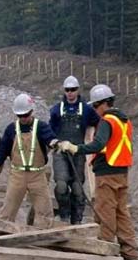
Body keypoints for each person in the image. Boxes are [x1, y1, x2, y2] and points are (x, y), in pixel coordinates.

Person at [59, 84, 138, 260]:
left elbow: (98, 144)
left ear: (103, 104)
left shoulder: (107, 121)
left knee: (105, 212)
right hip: (121, 172)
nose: (94, 110)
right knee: (121, 212)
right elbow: (119, 146)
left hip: (107, 174)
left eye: (95, 106)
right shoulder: (124, 121)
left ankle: (105, 250)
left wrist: (75, 148)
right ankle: (130, 253)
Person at [0, 93, 60, 229]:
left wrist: (57, 143)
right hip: (17, 175)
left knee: (44, 212)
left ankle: (43, 240)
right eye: (19, 116)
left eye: (25, 115)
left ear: (32, 111)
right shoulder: (11, 129)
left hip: (38, 176)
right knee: (7, 211)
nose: (23, 118)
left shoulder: (41, 127)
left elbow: (50, 138)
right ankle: (2, 235)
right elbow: (2, 150)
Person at [49, 76, 100, 224]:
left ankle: (76, 219)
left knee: (78, 188)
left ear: (78, 90)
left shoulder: (87, 109)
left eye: (73, 90)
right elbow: (50, 131)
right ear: (64, 91)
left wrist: (92, 142)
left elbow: (98, 124)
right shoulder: (56, 109)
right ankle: (64, 214)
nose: (70, 93)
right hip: (60, 153)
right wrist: (54, 143)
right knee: (61, 185)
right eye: (67, 90)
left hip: (78, 152)